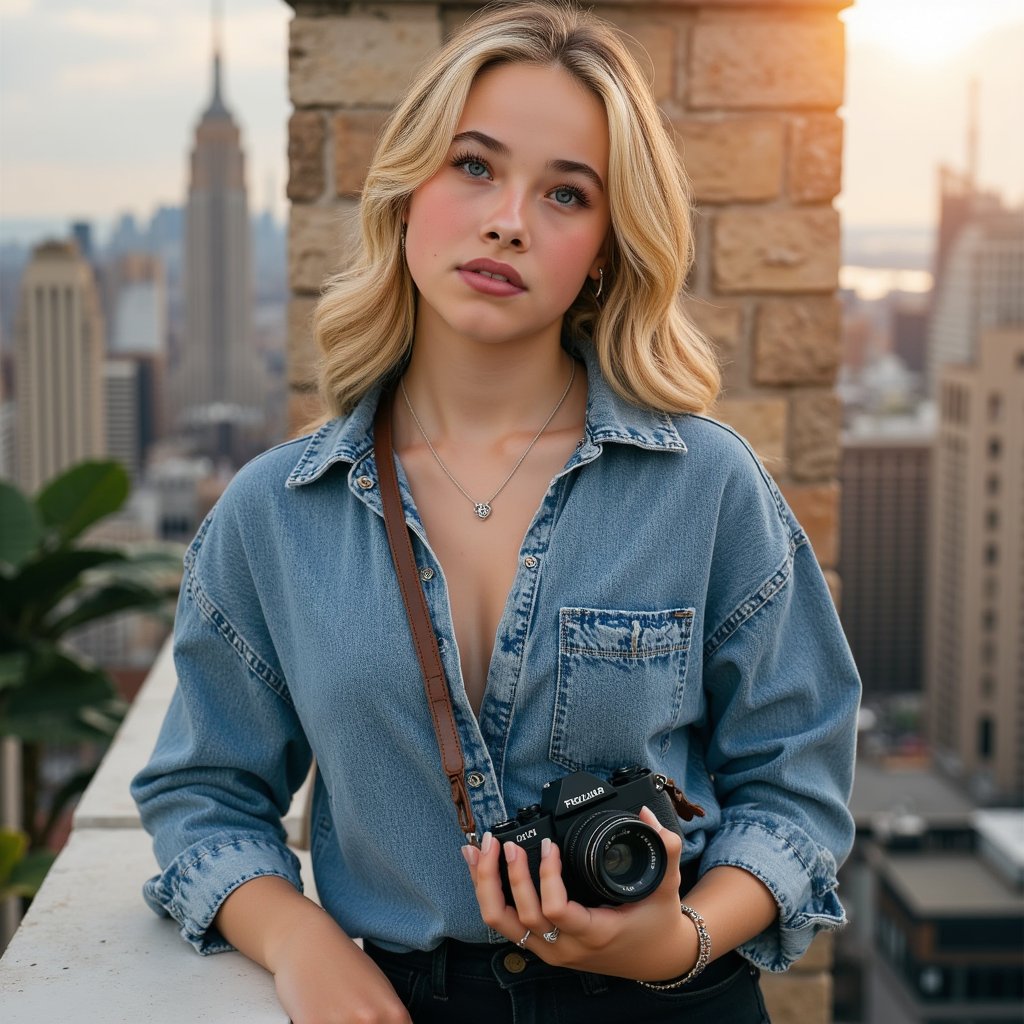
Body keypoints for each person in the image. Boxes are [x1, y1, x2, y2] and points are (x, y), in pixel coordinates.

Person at [131, 4, 860, 1022]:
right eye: (473, 166)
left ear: (606, 247)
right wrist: (292, 934)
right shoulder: (274, 513)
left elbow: (799, 785)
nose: (509, 217)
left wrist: (679, 938)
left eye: (566, 192)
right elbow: (202, 792)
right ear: (405, 192)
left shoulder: (707, 486)